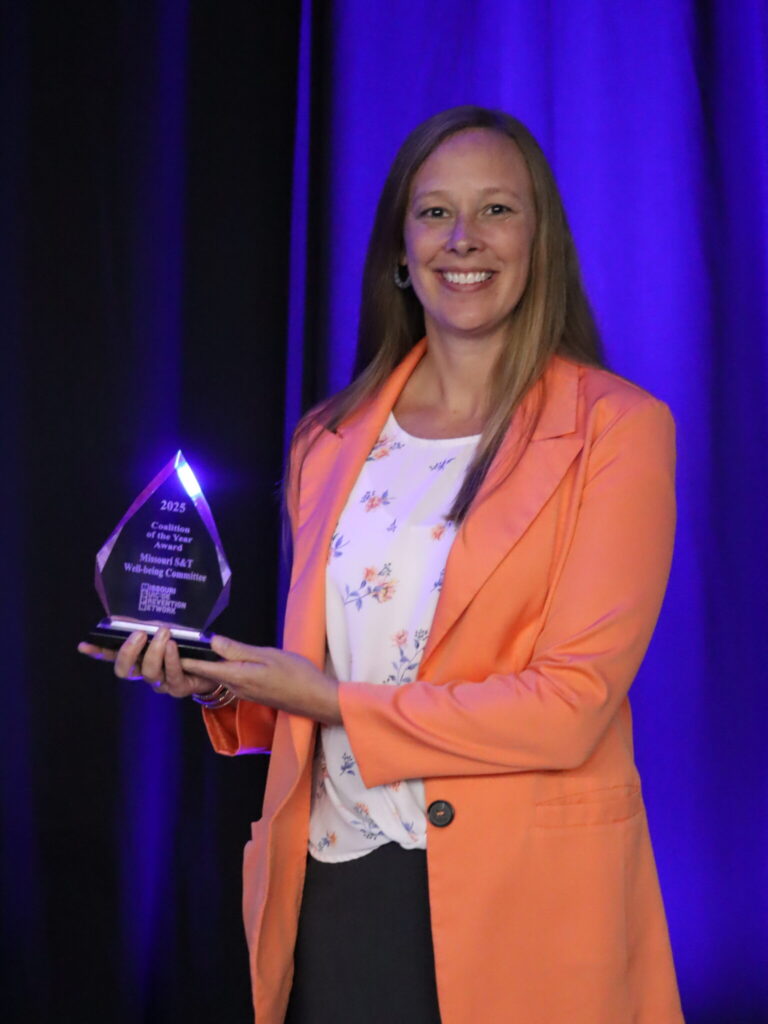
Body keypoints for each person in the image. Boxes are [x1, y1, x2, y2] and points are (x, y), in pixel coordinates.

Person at [80, 106, 685, 1023]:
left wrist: (326, 700)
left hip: (526, 901)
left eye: (497, 211)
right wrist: (216, 683)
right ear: (400, 250)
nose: (464, 240)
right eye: (434, 213)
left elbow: (570, 709)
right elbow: (335, 672)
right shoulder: (328, 441)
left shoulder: (619, 431)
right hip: (335, 886)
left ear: (541, 242)